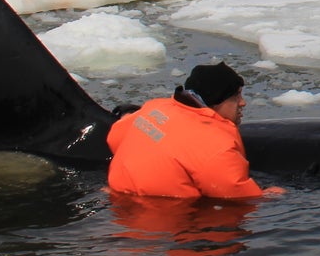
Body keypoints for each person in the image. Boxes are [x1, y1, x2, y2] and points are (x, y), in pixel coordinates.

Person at [107, 62, 281, 199]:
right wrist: (266, 196)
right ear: (216, 100)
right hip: (161, 215)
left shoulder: (155, 107)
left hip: (116, 195)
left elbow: (115, 137)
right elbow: (233, 194)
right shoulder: (216, 143)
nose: (243, 103)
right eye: (236, 96)